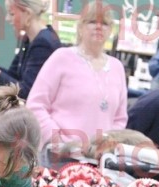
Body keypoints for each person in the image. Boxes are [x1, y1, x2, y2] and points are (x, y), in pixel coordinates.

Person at [26, 1, 127, 162]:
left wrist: (107, 145)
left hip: (100, 161)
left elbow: (120, 118)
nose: (99, 27)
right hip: (59, 157)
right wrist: (58, 140)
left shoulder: (117, 68)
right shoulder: (61, 58)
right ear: (80, 27)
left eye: (105, 23)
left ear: (111, 30)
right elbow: (36, 104)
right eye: (92, 21)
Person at [0, 0, 61, 100]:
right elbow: (13, 76)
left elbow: (26, 92)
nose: (7, 18)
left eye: (12, 14)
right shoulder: (29, 40)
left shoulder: (43, 43)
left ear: (27, 14)